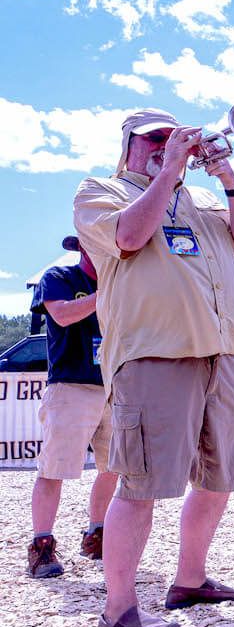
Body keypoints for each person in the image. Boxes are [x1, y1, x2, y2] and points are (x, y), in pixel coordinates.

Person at [74, 108, 234, 627]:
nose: (165, 143)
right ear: (128, 145)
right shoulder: (100, 191)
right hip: (154, 354)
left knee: (220, 475)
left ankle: (189, 579)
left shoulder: (202, 200)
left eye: (171, 137)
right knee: (140, 485)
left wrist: (228, 179)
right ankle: (119, 609)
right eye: (153, 138)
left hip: (222, 354)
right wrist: (168, 172)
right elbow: (131, 236)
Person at [25, 235, 119, 579]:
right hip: (70, 385)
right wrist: (106, 294)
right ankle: (41, 545)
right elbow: (62, 315)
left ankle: (97, 534)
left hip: (113, 384)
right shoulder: (59, 278)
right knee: (54, 468)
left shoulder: (121, 282)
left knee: (113, 468)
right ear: (82, 247)